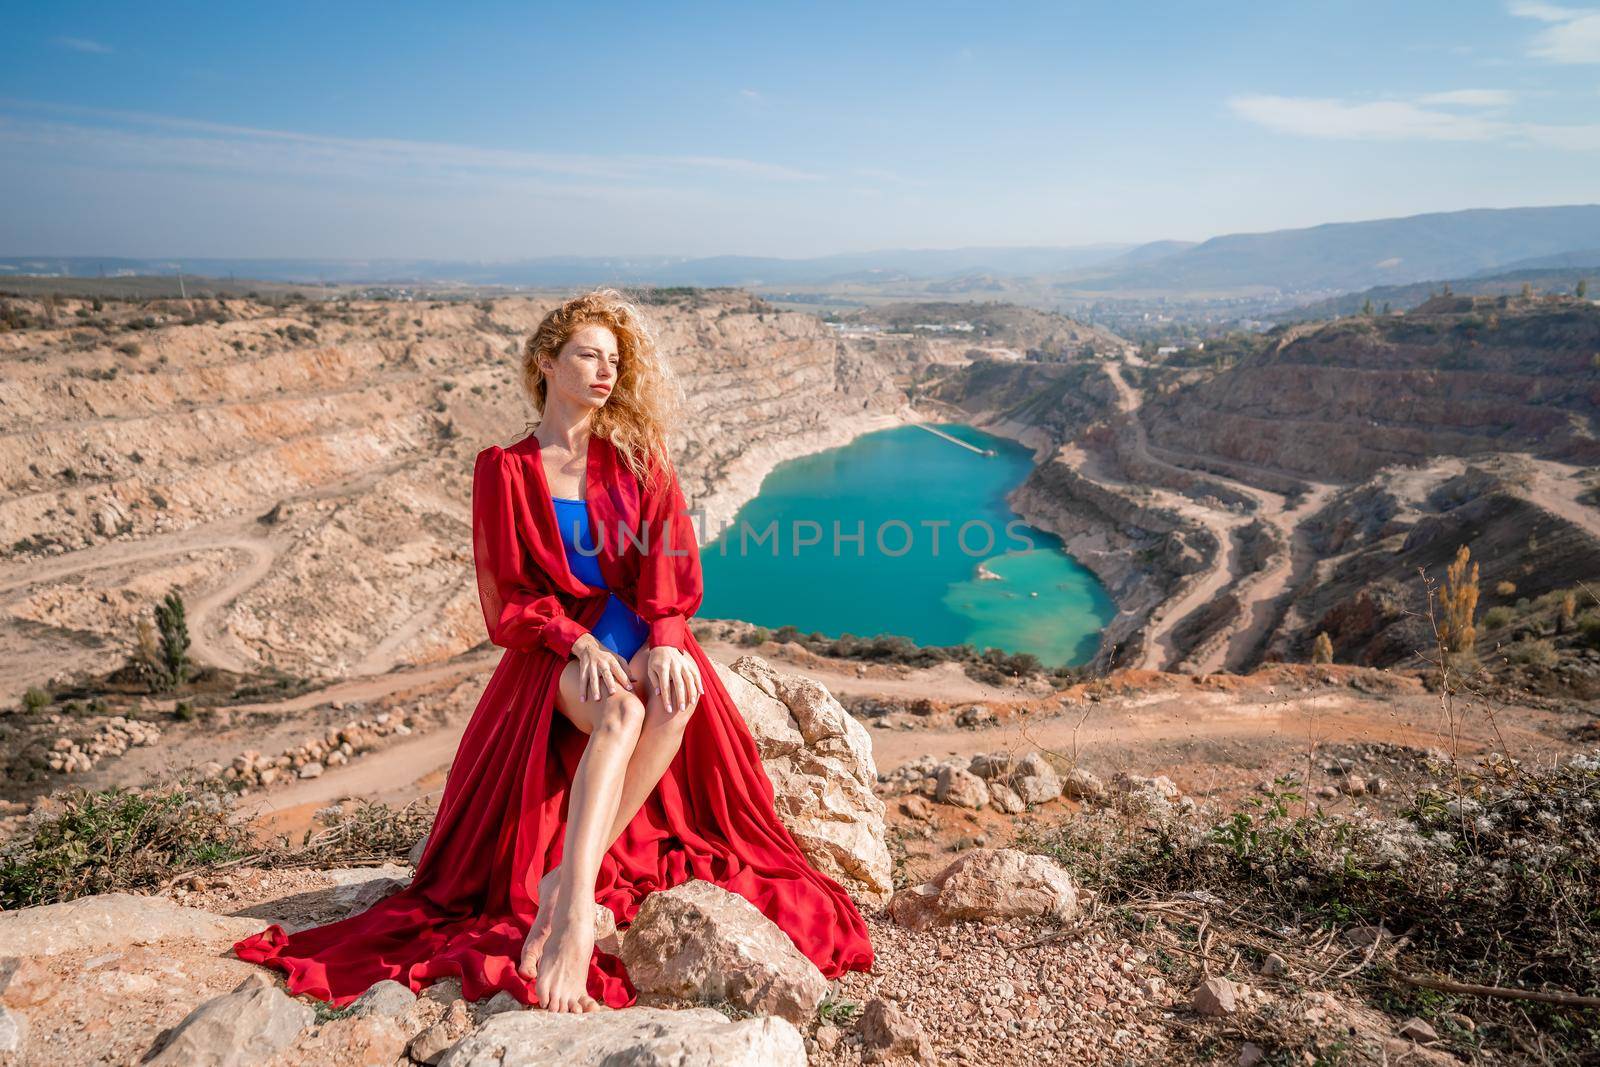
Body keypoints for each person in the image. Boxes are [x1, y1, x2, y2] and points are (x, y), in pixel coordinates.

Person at [232, 288, 876, 1013]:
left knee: (676, 689)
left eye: (613, 359)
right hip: (555, 643)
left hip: (635, 622)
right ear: (545, 362)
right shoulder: (505, 469)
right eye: (587, 356)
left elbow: (670, 555)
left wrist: (666, 636)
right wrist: (574, 640)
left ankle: (568, 874)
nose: (604, 371)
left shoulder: (636, 455)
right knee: (621, 715)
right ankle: (572, 911)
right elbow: (508, 600)